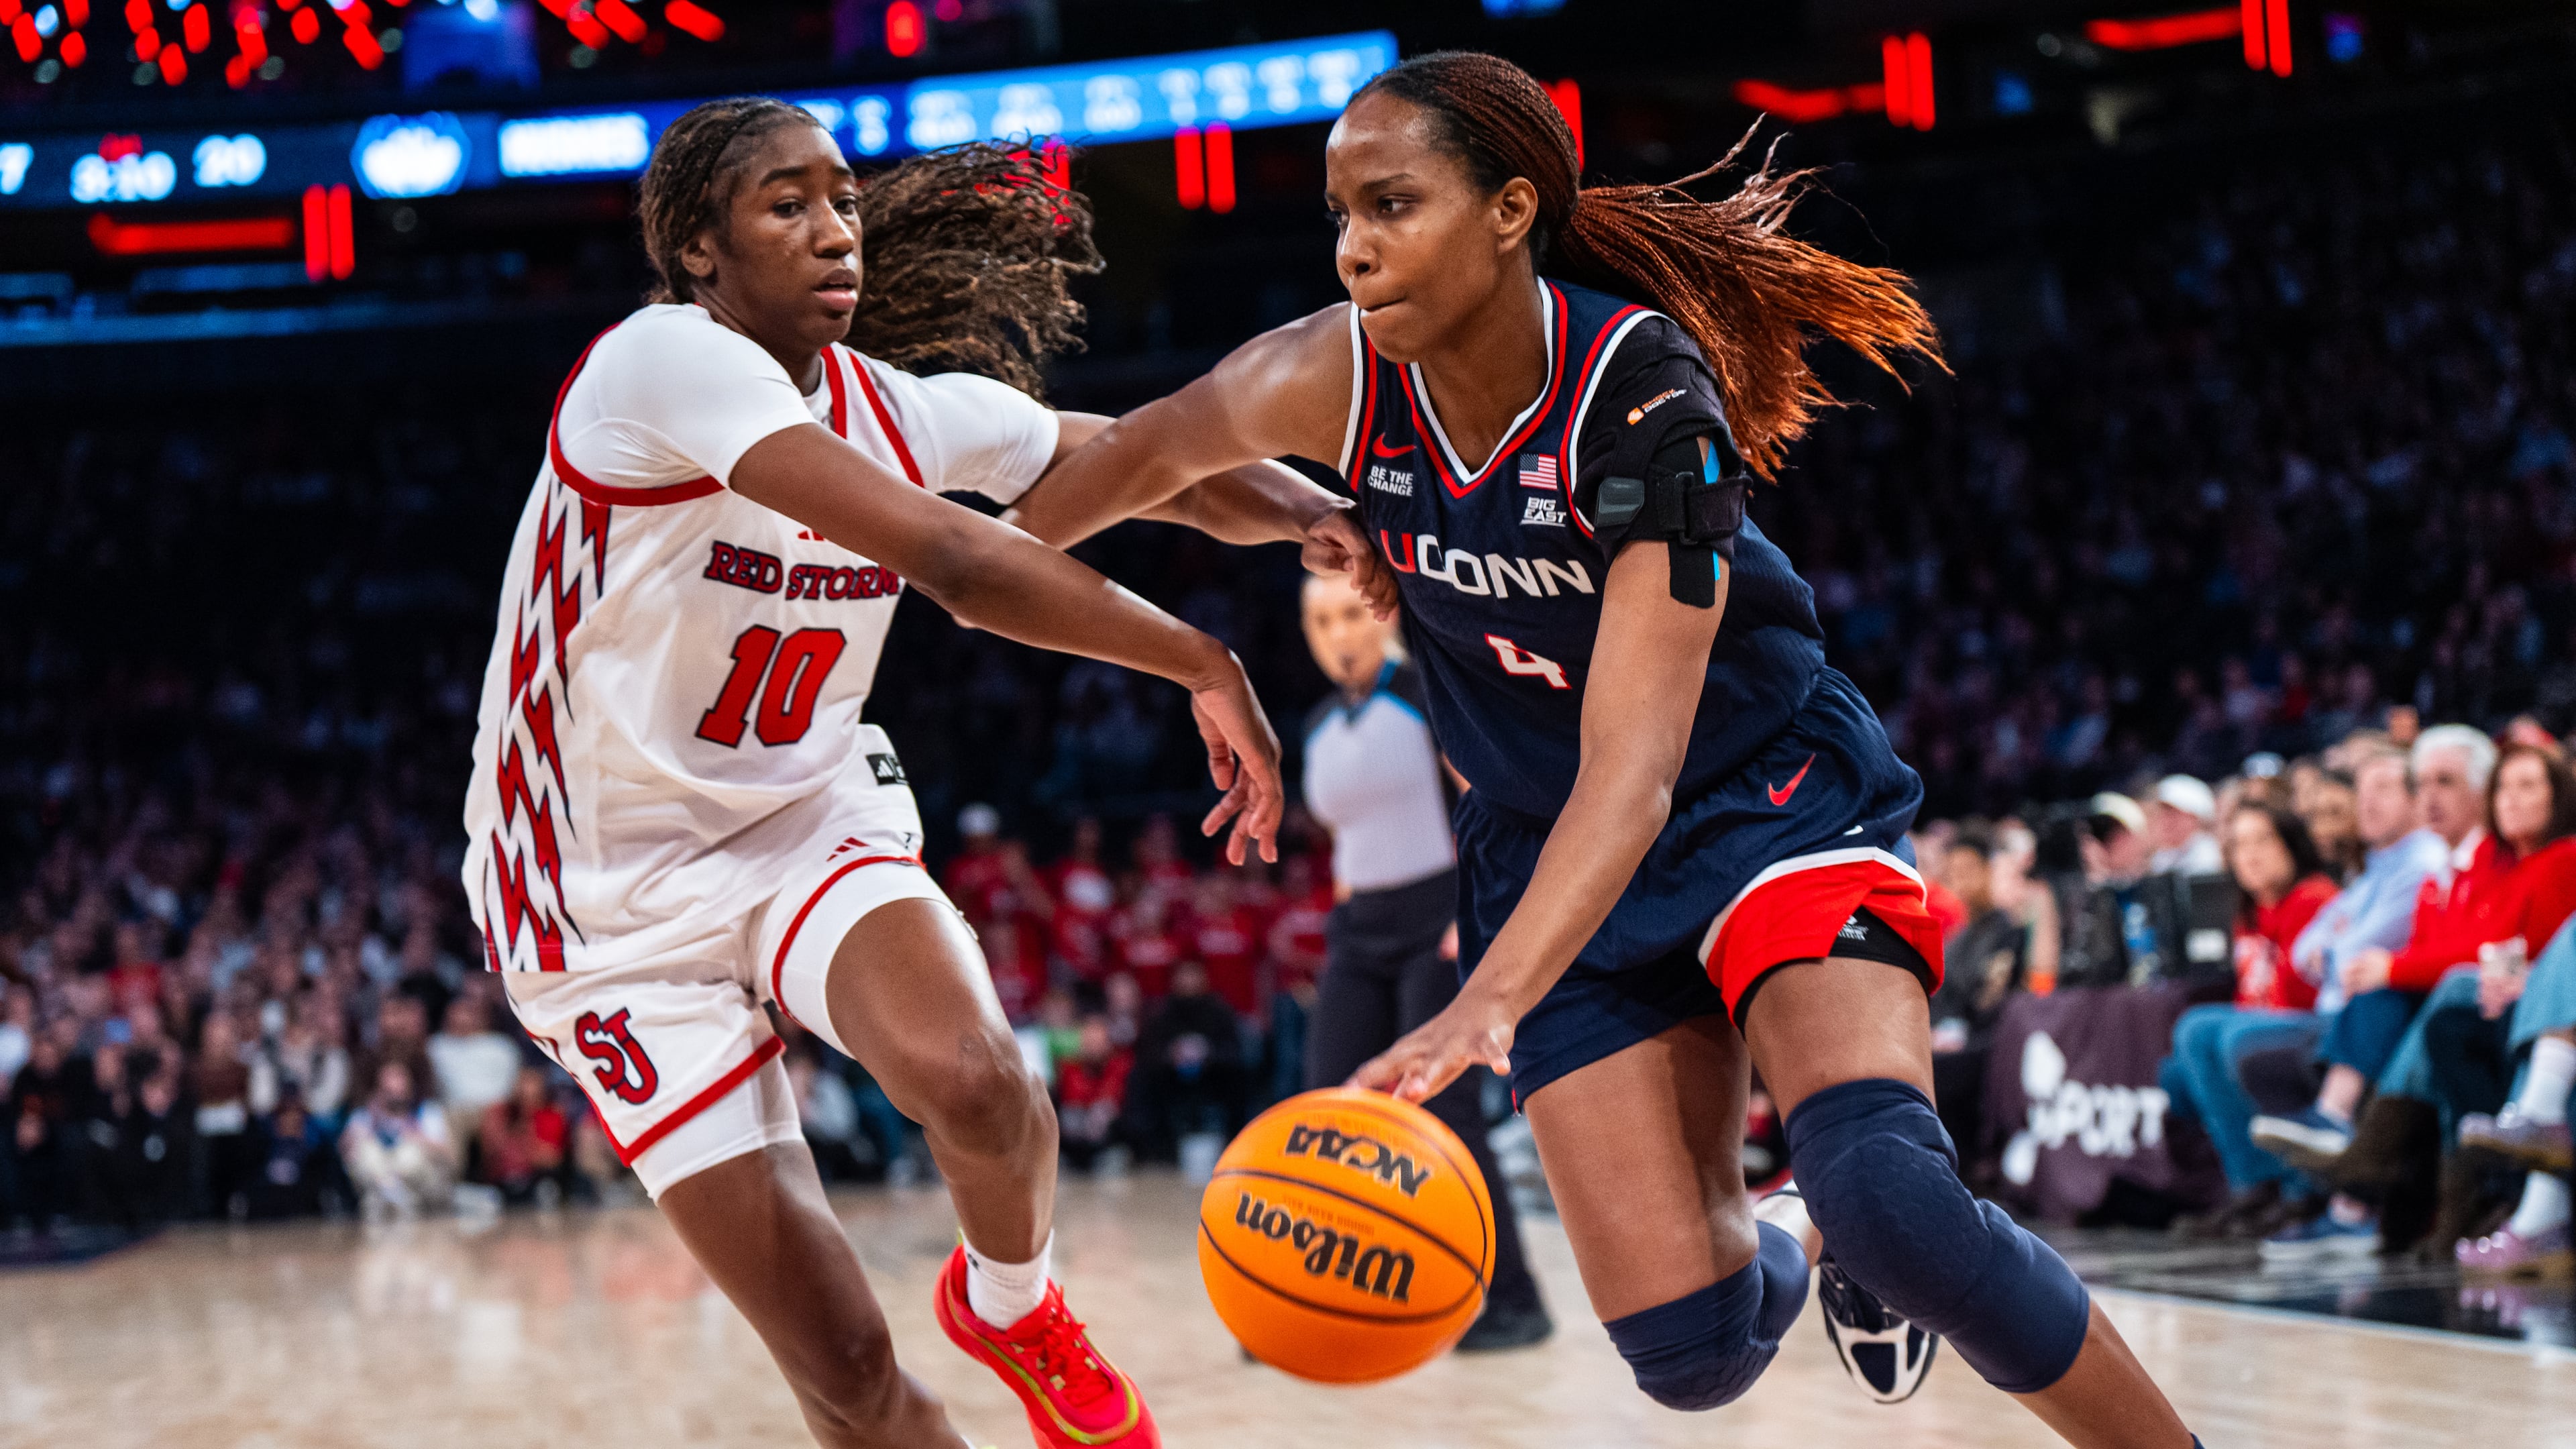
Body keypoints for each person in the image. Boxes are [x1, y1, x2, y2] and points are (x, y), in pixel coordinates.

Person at [1008, 50, 2199, 1442]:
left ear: (1512, 209)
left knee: (1896, 1199)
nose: (1354, 251)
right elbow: (1120, 467)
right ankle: (1806, 1227)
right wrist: (928, 559)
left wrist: (1484, 1002)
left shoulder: (1639, 392)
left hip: (1758, 801)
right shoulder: (1324, 375)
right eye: (1339, 216)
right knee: (1690, 1356)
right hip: (1536, 840)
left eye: (1393, 206)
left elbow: (1634, 776)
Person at [455, 104, 1317, 1449]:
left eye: (843, 201)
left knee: (976, 1079)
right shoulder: (656, 362)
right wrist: (1201, 658)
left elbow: (1161, 467)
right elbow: (962, 565)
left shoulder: (903, 411)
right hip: (604, 896)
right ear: (697, 251)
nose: (834, 231)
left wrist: (1334, 520)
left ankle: (1012, 1305)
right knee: (849, 1370)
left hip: (802, 815)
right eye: (785, 205)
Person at [1294, 568, 1551, 1351]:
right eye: (1320, 623)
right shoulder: (1317, 725)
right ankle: (1313, 1297)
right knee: (1327, 1109)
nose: (1337, 636)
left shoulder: (1426, 696)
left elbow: (1490, 807)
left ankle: (1513, 1301)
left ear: (1380, 616)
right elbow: (1350, 840)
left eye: (1349, 615)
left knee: (1446, 1114)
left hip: (1438, 920)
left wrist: (1475, 917)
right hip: (1359, 929)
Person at [2157, 806, 2339, 1242]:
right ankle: (2253, 1187)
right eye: (2239, 845)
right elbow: (2250, 998)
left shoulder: (2314, 898)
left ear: (2292, 845)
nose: (2251, 855)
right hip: (2267, 1025)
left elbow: (2302, 995)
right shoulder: (2249, 913)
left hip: (2321, 1025)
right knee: (2192, 1036)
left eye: (2263, 840)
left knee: (2235, 1038)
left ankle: (2299, 1189)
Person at [338, 1061, 459, 1220]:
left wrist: (416, 1135)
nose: (396, 1098)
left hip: (421, 1189)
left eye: (401, 1092)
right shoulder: (364, 1116)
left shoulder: (427, 1112)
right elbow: (344, 1153)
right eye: (389, 1092)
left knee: (408, 1153)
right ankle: (391, 1194)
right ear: (378, 1091)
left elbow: (451, 1157)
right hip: (378, 1189)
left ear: (411, 1090)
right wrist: (367, 1129)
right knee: (367, 1150)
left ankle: (395, 1197)